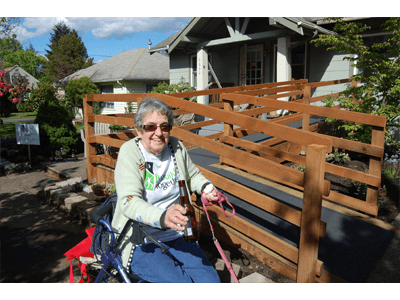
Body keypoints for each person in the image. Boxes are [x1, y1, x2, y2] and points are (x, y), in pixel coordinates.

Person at [112, 97, 221, 283]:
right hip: (140, 241)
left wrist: (205, 187)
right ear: (139, 130)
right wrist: (163, 217)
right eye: (150, 127)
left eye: (165, 126)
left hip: (178, 235)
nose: (159, 133)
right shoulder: (129, 152)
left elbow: (192, 175)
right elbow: (129, 201)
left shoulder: (175, 146)